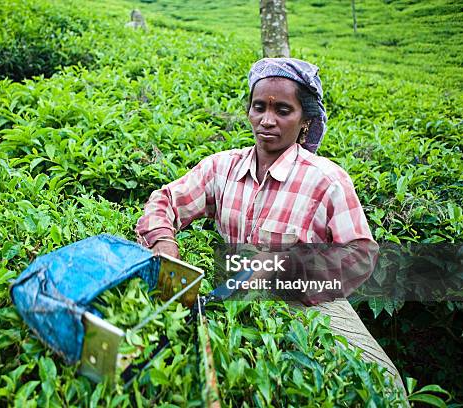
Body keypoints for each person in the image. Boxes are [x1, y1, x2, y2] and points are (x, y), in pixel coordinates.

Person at [135, 58, 406, 393]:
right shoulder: (221, 168)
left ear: (305, 120)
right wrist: (165, 246)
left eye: (283, 110)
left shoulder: (326, 180)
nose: (267, 120)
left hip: (310, 306)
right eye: (259, 107)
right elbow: (164, 202)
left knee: (386, 387)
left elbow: (360, 255)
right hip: (234, 297)